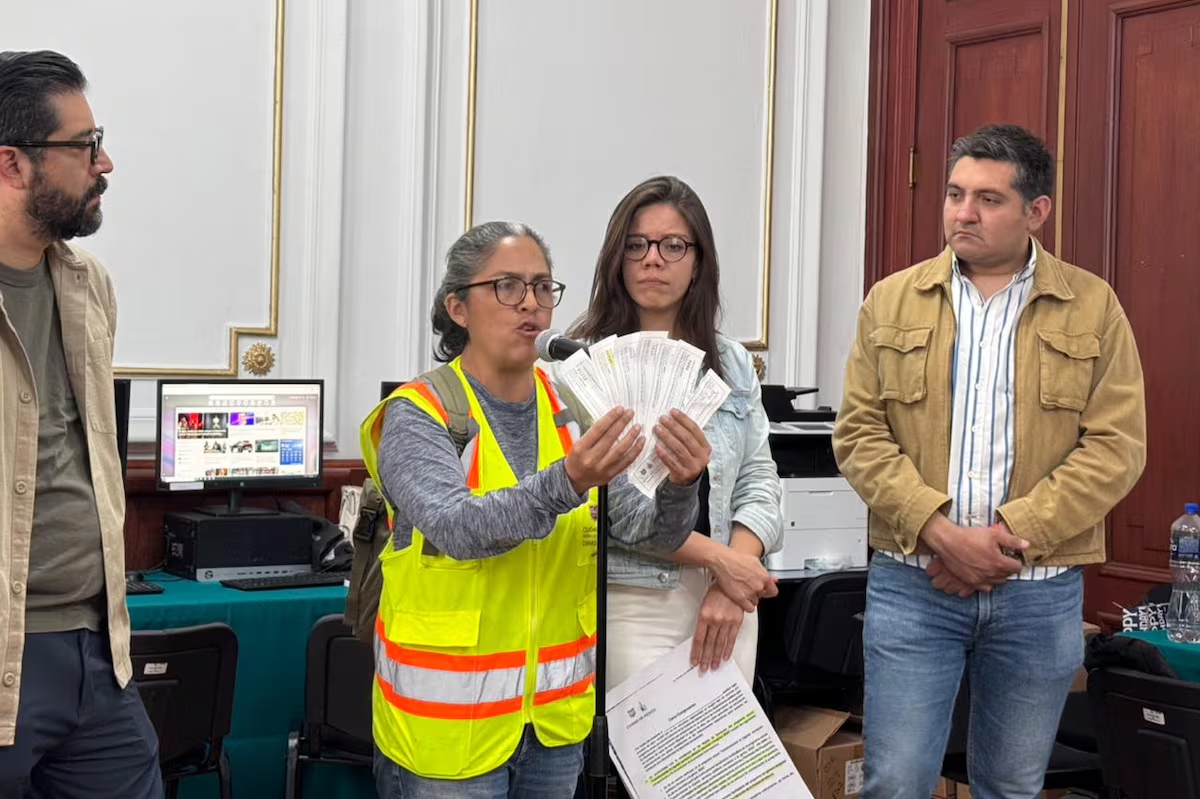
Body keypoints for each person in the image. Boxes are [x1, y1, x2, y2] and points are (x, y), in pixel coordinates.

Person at [832, 124, 1146, 798]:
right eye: (953, 193)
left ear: (1037, 211)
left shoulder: (1093, 308)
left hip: (1038, 595)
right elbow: (859, 433)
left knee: (1011, 785)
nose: (962, 212)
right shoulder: (891, 301)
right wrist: (942, 533)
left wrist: (1004, 537)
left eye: (987, 199)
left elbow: (1116, 446)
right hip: (916, 586)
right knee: (896, 781)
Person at [360, 220, 709, 798]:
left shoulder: (571, 408)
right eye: (508, 287)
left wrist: (680, 484)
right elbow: (457, 527)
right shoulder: (419, 412)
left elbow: (649, 534)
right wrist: (569, 480)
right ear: (458, 308)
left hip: (554, 723)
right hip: (447, 731)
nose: (532, 305)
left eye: (544, 287)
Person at [0, 51, 162, 796]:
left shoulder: (88, 283)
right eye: (85, 145)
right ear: (13, 164)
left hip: (101, 654)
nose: (107, 162)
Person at [569, 175, 783, 691]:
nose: (652, 259)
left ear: (698, 262)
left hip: (730, 600)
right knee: (651, 768)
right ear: (616, 260)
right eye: (636, 245)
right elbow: (610, 510)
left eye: (673, 245)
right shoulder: (581, 361)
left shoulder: (731, 361)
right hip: (631, 595)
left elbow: (760, 480)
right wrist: (723, 562)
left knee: (717, 770)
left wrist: (732, 581)